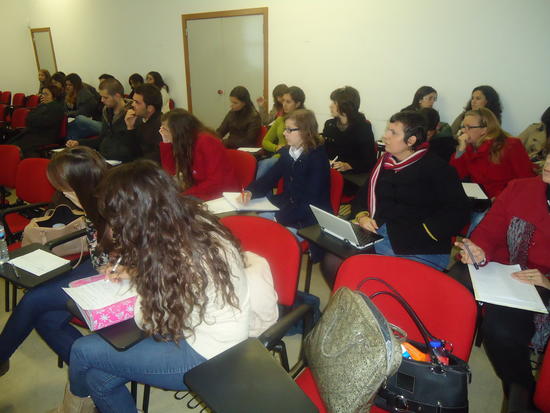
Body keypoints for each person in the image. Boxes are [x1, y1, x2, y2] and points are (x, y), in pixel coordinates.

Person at [64, 160, 252, 413]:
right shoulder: (191, 222)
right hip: (214, 330)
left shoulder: (177, 257)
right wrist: (135, 271)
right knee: (98, 378)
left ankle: (72, 407)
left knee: (82, 350)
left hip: (206, 355)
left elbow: (149, 321)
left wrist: (139, 283)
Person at [0, 147, 109, 377]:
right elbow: (99, 253)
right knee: (46, 319)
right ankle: (94, 377)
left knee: (34, 299)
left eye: (67, 189)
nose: (65, 195)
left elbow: (130, 261)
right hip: (102, 265)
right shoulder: (93, 201)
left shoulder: (117, 206)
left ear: (83, 183)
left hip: (122, 276)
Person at [454, 154, 550, 407]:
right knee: (452, 289)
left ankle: (523, 390)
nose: (548, 163)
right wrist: (479, 250)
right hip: (503, 268)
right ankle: (442, 367)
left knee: (501, 330)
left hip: (542, 280)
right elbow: (489, 230)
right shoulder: (521, 188)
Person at [341, 111, 470, 281]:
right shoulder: (385, 163)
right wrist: (363, 217)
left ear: (411, 141)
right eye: (388, 130)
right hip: (381, 233)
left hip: (420, 245)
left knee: (371, 277)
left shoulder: (437, 169)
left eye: (393, 132)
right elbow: (362, 196)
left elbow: (459, 212)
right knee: (335, 261)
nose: (385, 136)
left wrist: (422, 233)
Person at [244, 109, 331, 234]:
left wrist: (280, 219)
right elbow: (269, 178)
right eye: (285, 129)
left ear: (305, 131)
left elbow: (310, 201)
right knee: (253, 226)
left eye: (289, 130)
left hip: (309, 219)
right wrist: (250, 191)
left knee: (269, 236)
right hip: (288, 207)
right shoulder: (288, 153)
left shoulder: (317, 158)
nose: (284, 133)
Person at [450, 107, 535, 200]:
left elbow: (526, 180)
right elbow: (455, 175)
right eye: (463, 127)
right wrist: (460, 150)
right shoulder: (468, 148)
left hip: (507, 199)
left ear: (484, 129)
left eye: (469, 127)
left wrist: (501, 198)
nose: (463, 131)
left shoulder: (510, 145)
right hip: (480, 200)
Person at [159, 108, 239, 200]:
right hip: (203, 190)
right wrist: (166, 143)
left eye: (165, 129)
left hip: (221, 194)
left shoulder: (206, 142)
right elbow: (171, 171)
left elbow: (216, 181)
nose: (162, 132)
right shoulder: (185, 142)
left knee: (173, 203)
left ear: (178, 130)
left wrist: (185, 195)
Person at [322, 86, 376, 195]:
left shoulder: (363, 127)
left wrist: (348, 165)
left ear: (345, 106)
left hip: (352, 176)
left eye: (334, 103)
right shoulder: (330, 124)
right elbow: (325, 150)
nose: (330, 105)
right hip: (330, 172)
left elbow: (369, 161)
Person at [67, 79, 136, 162]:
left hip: (120, 161)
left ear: (117, 96)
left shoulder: (132, 115)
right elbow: (101, 139)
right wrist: (79, 143)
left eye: (105, 97)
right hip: (104, 158)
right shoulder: (107, 112)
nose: (102, 100)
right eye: (101, 97)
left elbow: (131, 147)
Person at [257, 86, 306, 178]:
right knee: (263, 164)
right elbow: (265, 142)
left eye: (288, 102)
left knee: (265, 164)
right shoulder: (280, 120)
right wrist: (276, 147)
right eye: (283, 101)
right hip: (280, 156)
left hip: (298, 158)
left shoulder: (305, 121)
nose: (284, 104)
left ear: (298, 104)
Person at [8, 84, 65, 157]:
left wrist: (33, 120)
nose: (43, 96)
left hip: (45, 136)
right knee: (11, 144)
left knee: (17, 147)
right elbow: (28, 119)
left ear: (54, 96)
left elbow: (45, 123)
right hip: (34, 133)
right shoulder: (41, 105)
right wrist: (34, 120)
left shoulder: (57, 107)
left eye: (46, 94)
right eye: (42, 93)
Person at [124, 84, 163, 162]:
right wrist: (130, 128)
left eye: (137, 102)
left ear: (150, 108)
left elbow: (156, 159)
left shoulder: (162, 127)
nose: (132, 104)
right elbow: (132, 153)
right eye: (133, 101)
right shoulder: (138, 119)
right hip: (139, 164)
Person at [65, 73, 102, 140]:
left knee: (79, 119)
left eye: (70, 85)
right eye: (66, 85)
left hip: (95, 121)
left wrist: (67, 114)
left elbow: (83, 113)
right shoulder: (70, 94)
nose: (67, 87)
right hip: (86, 121)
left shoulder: (84, 94)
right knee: (70, 129)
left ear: (76, 85)